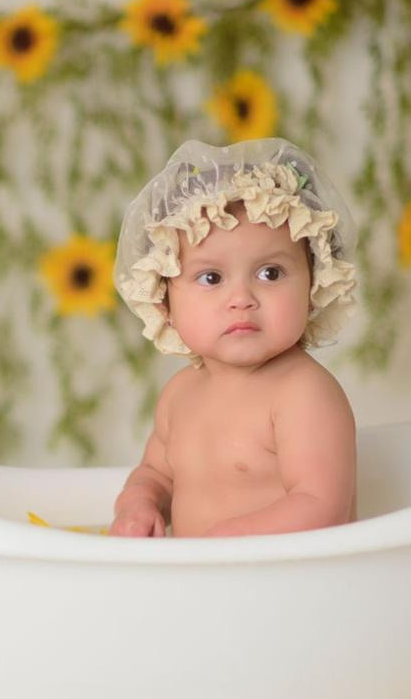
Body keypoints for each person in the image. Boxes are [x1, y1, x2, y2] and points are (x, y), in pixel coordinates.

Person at [109, 138, 360, 537]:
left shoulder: (303, 394)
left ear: (314, 284)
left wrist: (226, 544)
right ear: (163, 301)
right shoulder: (179, 395)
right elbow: (156, 474)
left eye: (270, 273)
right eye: (211, 277)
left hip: (288, 574)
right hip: (207, 572)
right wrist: (139, 502)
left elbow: (322, 505)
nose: (241, 298)